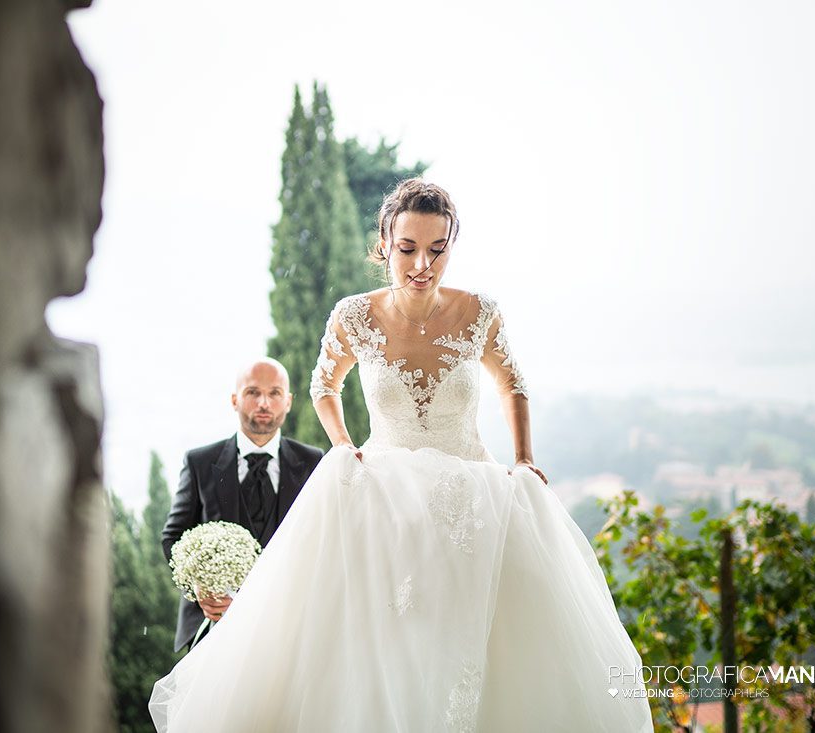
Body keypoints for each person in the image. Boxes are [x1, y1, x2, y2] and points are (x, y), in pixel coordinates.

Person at [150, 178, 654, 732]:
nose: (422, 264)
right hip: (383, 495)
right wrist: (343, 445)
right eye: (408, 248)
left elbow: (513, 386)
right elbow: (324, 386)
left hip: (473, 494)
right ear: (385, 243)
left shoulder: (480, 312)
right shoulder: (353, 316)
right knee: (378, 641)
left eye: (437, 250)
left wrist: (525, 456)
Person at [159, 357, 325, 653]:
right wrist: (198, 588)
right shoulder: (199, 462)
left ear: (287, 402)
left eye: (274, 393)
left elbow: (325, 541)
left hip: (289, 630)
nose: (264, 402)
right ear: (235, 400)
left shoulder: (313, 462)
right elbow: (173, 536)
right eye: (252, 392)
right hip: (214, 630)